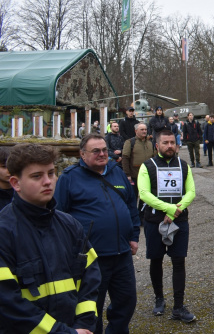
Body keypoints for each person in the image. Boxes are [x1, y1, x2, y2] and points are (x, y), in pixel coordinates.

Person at [0, 143, 101, 334]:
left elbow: (91, 278)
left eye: (51, 173)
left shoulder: (69, 224)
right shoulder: (4, 232)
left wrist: (84, 325)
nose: (48, 181)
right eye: (37, 176)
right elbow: (8, 304)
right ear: (15, 183)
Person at [55, 134, 140, 334]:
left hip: (122, 253)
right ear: (82, 154)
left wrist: (134, 236)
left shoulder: (116, 172)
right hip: (91, 258)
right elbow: (58, 216)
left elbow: (130, 205)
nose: (102, 154)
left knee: (127, 301)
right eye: (96, 151)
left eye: (104, 150)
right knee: (92, 307)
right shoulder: (69, 177)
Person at [137, 130, 197, 323]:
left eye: (172, 142)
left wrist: (175, 211)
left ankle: (178, 306)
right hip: (154, 221)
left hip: (179, 221)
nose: (169, 146)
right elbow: (144, 194)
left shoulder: (184, 165)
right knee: (156, 260)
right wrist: (169, 209)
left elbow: (191, 192)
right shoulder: (147, 166)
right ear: (157, 145)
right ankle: (159, 299)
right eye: (165, 143)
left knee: (179, 262)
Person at [122, 123, 156, 227]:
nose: (144, 131)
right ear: (136, 131)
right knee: (133, 198)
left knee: (144, 198)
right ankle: (132, 219)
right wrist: (127, 174)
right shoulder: (130, 142)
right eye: (142, 129)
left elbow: (154, 158)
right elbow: (125, 157)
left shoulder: (150, 143)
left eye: (145, 129)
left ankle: (141, 217)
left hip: (147, 176)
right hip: (134, 175)